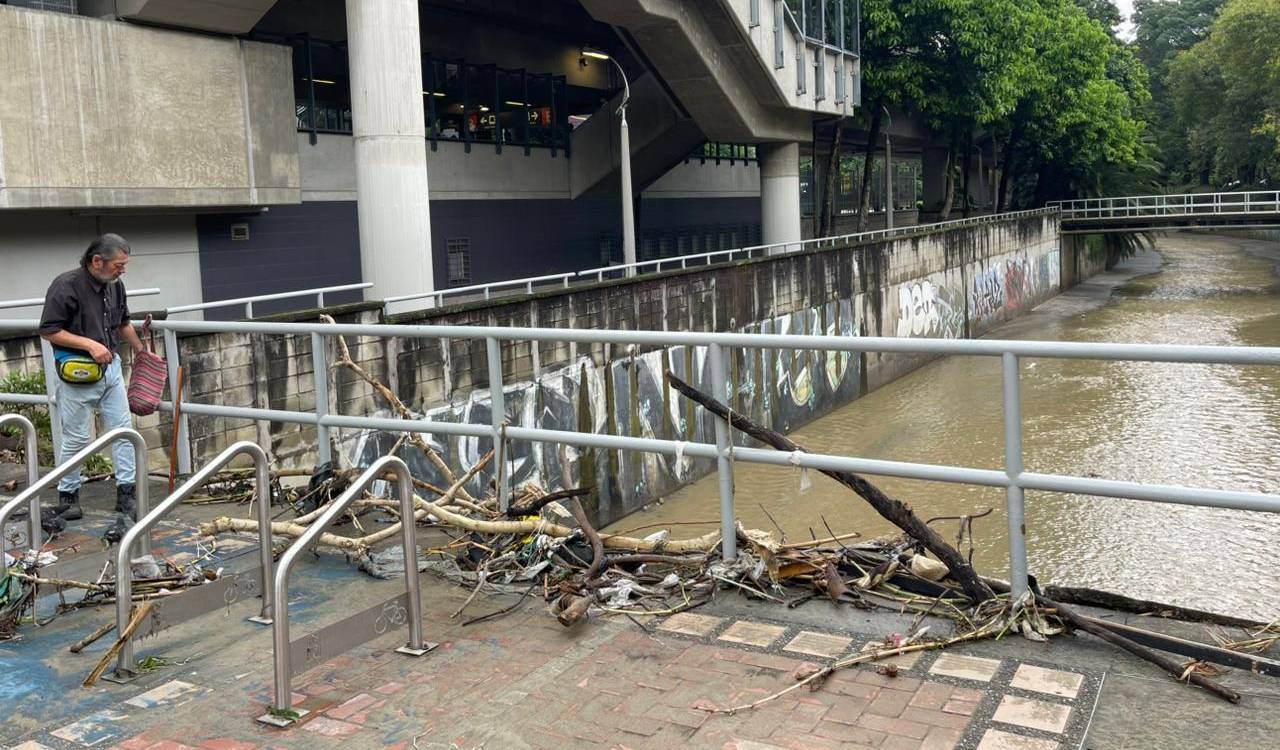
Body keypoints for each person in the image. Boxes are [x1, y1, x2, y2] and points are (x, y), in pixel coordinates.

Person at [38, 234, 145, 522]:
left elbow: (123, 322)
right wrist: (89, 344)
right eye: (118, 265)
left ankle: (126, 497)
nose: (122, 270)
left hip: (111, 369)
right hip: (77, 374)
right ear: (96, 261)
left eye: (124, 265)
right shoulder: (66, 286)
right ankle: (68, 497)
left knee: (123, 432)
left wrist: (141, 351)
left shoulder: (115, 285)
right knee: (76, 438)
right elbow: (49, 330)